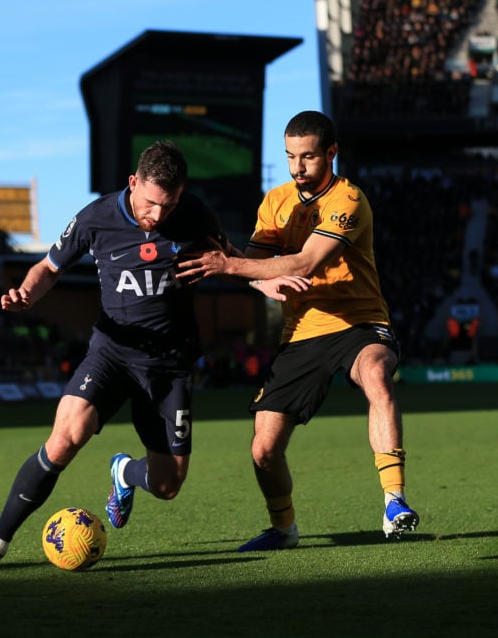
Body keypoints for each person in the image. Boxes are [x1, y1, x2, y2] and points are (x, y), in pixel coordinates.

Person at [0, 140, 304, 573]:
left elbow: (229, 259)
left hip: (169, 367)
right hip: (112, 355)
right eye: (151, 203)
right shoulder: (95, 218)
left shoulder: (195, 215)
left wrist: (264, 284)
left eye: (169, 204)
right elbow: (48, 267)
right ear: (133, 183)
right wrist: (28, 292)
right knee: (65, 437)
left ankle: (124, 474)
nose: (157, 216)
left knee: (168, 484)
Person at [177, 110, 419, 550]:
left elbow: (306, 262)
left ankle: (394, 501)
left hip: (359, 322)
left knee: (377, 376)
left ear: (331, 153)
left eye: (307, 157)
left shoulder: (349, 200)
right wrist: (241, 265)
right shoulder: (275, 201)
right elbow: (255, 263)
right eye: (290, 157)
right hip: (301, 333)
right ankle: (283, 528)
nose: (297, 168)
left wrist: (230, 265)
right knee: (263, 450)